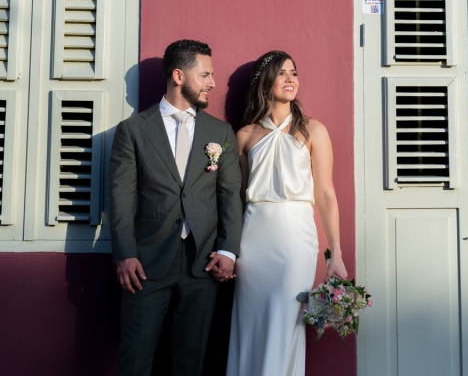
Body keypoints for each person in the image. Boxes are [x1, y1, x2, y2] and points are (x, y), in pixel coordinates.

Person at [109, 39, 243, 376]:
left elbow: (230, 195)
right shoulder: (133, 131)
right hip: (146, 263)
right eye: (206, 75)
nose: (213, 82)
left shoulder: (220, 131)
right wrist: (125, 254)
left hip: (203, 263)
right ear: (179, 76)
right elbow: (121, 197)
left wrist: (228, 251)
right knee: (135, 359)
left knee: (191, 360)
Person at [226, 50, 348, 376]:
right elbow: (237, 198)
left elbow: (325, 193)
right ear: (265, 82)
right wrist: (228, 248)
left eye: (294, 72)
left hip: (296, 238)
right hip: (252, 239)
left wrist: (335, 254)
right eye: (282, 73)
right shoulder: (244, 136)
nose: (290, 79)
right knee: (250, 323)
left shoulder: (313, 131)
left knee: (285, 319)